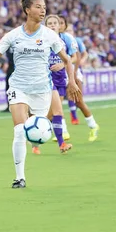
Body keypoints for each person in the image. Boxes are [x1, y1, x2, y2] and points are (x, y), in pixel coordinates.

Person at [0, 0, 81, 189]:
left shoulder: (50, 35)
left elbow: (67, 60)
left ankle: (39, 140)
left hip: (42, 90)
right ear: (27, 9)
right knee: (20, 131)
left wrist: (71, 81)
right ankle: (20, 178)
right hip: (18, 87)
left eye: (44, 7)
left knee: (36, 134)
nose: (43, 10)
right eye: (39, 7)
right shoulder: (13, 35)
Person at [31, 15, 77, 155]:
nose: (52, 25)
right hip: (46, 78)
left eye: (54, 23)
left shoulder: (65, 39)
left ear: (60, 26)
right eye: (49, 23)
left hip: (60, 78)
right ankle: (61, 144)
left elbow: (72, 58)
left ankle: (33, 138)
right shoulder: (41, 40)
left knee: (50, 115)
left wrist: (63, 65)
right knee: (58, 112)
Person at [60, 16, 100, 142]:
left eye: (60, 23)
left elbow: (76, 57)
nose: (56, 25)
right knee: (57, 103)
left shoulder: (69, 38)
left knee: (79, 102)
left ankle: (93, 126)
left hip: (72, 73)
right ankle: (64, 131)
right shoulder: (51, 38)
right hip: (59, 74)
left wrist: (75, 73)